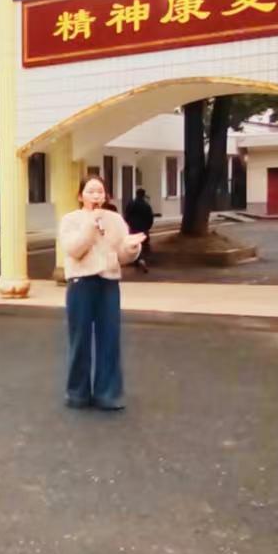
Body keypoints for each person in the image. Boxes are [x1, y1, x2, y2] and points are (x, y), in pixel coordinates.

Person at [59, 175, 143, 411]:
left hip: (108, 281)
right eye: (90, 191)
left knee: (109, 337)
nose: (96, 196)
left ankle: (108, 394)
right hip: (80, 282)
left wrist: (132, 248)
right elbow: (74, 250)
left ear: (106, 195)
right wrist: (90, 224)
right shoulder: (70, 220)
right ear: (80, 196)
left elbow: (122, 254)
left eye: (100, 191)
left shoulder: (115, 219)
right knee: (80, 338)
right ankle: (77, 393)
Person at [124, 188, 157, 273]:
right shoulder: (146, 205)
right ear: (143, 195)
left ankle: (136, 259)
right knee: (144, 244)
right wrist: (148, 227)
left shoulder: (131, 204)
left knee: (134, 244)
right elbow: (150, 217)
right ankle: (142, 260)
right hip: (143, 228)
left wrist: (128, 224)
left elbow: (126, 215)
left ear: (136, 194)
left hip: (133, 228)